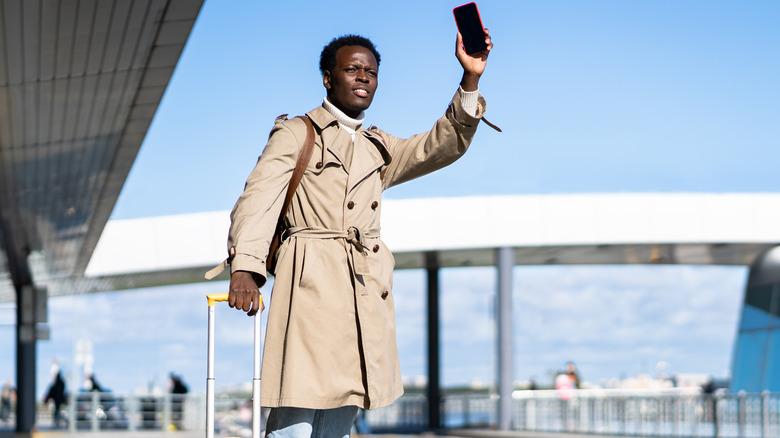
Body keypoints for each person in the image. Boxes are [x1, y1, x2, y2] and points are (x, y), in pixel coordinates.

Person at [210, 28, 493, 438]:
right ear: (328, 77)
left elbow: (441, 145)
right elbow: (257, 200)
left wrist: (470, 79)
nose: (363, 77)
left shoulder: (378, 146)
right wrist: (246, 268)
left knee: (342, 418)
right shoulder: (297, 133)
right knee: (297, 418)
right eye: (352, 69)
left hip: (363, 296)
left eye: (371, 72)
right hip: (311, 290)